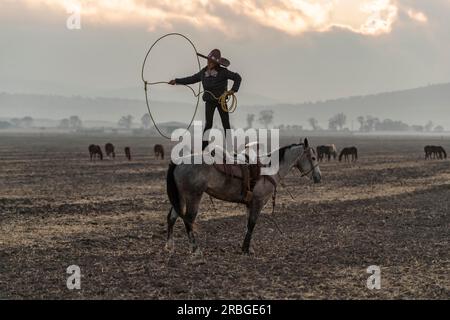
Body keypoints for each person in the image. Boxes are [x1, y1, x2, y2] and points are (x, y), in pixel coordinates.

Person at [169, 49, 242, 150]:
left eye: (211, 62)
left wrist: (232, 90)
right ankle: (204, 149)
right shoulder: (203, 72)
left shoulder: (224, 72)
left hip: (222, 101)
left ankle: (230, 148)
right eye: (208, 61)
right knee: (208, 124)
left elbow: (238, 77)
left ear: (216, 63)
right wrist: (177, 81)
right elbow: (191, 79)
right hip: (209, 101)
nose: (209, 63)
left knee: (226, 124)